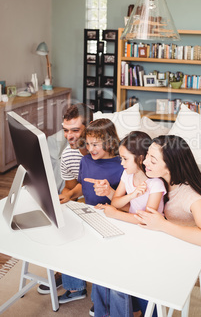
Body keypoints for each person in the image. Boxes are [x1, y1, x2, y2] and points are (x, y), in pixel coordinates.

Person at [92, 134, 201, 317]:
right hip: (159, 240)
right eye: (146, 157)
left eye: (152, 159)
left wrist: (163, 225)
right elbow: (142, 212)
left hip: (179, 253)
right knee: (107, 263)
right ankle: (130, 308)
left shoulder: (190, 196)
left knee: (116, 275)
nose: (145, 163)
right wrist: (112, 195)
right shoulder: (164, 183)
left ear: (171, 163)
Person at [58, 118, 124, 307]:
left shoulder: (121, 165)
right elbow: (82, 185)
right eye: (87, 144)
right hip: (87, 212)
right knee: (68, 237)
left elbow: (125, 201)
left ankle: (100, 300)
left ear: (109, 142)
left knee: (100, 258)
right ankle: (75, 288)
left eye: (95, 144)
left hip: (110, 218)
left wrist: (108, 193)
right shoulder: (86, 160)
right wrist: (70, 194)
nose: (90, 148)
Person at [38, 102, 93, 295]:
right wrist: (68, 195)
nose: (69, 136)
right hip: (84, 202)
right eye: (65, 130)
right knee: (64, 222)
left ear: (90, 127)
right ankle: (69, 275)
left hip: (110, 202)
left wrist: (73, 194)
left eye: (76, 130)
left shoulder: (105, 150)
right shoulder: (68, 155)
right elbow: (72, 189)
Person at [96, 131, 166, 224]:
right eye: (121, 159)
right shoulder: (127, 174)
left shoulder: (156, 183)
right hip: (132, 223)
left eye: (125, 159)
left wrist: (115, 214)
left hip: (150, 229)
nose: (122, 163)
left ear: (140, 159)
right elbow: (115, 202)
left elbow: (147, 219)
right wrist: (132, 195)